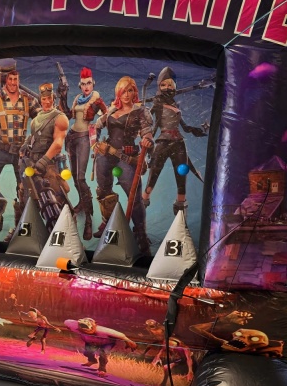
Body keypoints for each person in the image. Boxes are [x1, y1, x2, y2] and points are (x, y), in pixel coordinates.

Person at [93, 76, 152, 253]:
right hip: (105, 155)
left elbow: (147, 132)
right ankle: (108, 223)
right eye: (123, 91)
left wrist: (147, 140)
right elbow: (95, 126)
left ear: (134, 92)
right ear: (118, 92)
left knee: (134, 198)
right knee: (103, 191)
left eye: (130, 90)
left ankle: (140, 232)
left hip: (127, 157)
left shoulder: (140, 111)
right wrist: (95, 143)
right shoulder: (112, 110)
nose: (126, 94)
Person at [0, 59, 41, 233]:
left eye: (16, 79)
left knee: (24, 187)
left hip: (21, 152)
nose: (14, 83)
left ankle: (21, 222)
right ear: (3, 80)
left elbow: (42, 121)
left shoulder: (29, 100)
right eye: (10, 79)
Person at [142, 66, 208, 214]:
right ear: (159, 86)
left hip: (179, 143)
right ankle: (141, 212)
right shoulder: (157, 104)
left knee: (181, 177)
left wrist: (194, 129)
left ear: (175, 86)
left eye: (170, 84)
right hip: (163, 142)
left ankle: (181, 213)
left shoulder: (175, 105)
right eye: (163, 85)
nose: (167, 87)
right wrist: (147, 136)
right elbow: (148, 122)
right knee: (153, 176)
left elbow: (183, 126)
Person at [60, 67, 107, 240]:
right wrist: (63, 96)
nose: (86, 87)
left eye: (89, 83)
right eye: (83, 84)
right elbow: (68, 115)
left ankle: (89, 218)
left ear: (92, 83)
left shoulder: (96, 99)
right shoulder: (78, 99)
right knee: (74, 176)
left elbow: (107, 116)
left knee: (80, 178)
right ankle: (81, 201)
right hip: (72, 137)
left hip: (84, 139)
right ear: (80, 85)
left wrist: (96, 125)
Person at [19, 82, 71, 232]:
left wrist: (43, 162)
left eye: (49, 98)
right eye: (44, 99)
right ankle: (22, 230)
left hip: (48, 165)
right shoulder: (37, 119)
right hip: (32, 164)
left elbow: (58, 144)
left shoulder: (60, 118)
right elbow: (34, 137)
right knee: (25, 196)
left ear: (53, 98)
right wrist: (25, 145)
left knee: (56, 201)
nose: (47, 102)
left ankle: (65, 233)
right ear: (40, 100)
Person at [64, 317, 137, 376]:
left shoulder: (102, 330)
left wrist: (128, 341)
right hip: (90, 342)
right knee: (87, 352)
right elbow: (67, 322)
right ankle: (92, 360)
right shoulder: (74, 325)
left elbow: (121, 335)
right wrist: (69, 328)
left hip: (106, 343)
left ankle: (102, 369)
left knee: (102, 353)